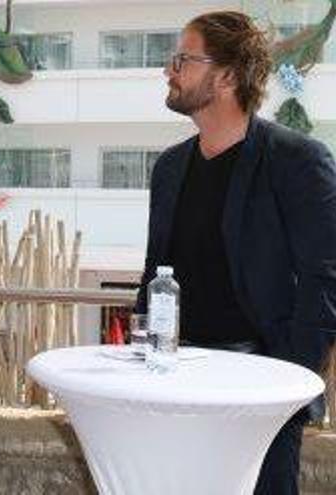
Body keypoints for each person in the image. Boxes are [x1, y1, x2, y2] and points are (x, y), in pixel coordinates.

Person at [135, 11, 336, 494]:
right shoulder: (168, 168)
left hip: (260, 392)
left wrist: (290, 382)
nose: (169, 69)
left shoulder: (297, 161)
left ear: (226, 76)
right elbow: (153, 275)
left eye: (183, 58)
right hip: (174, 388)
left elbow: (325, 278)